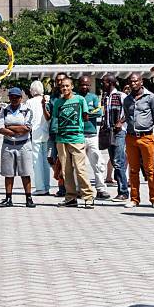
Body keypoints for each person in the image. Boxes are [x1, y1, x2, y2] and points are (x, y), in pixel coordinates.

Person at [51, 77, 95, 208]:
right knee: (66, 171)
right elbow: (55, 119)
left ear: (72, 87)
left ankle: (88, 197)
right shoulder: (58, 102)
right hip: (61, 139)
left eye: (67, 86)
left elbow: (86, 116)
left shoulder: (80, 100)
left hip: (76, 138)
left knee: (80, 169)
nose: (64, 88)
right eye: (62, 86)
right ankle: (71, 198)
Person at [123, 74, 154, 209]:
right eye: (131, 81)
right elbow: (127, 116)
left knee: (150, 170)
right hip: (131, 137)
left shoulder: (150, 97)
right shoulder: (127, 100)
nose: (133, 84)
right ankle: (134, 199)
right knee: (133, 170)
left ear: (141, 82)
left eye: (135, 81)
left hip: (146, 137)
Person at [0, 87, 35, 208]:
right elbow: (0, 128)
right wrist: (16, 130)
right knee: (9, 173)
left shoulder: (27, 110)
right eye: (11, 97)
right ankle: (8, 198)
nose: (14, 99)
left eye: (16, 97)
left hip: (24, 145)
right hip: (8, 145)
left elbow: (26, 128)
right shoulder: (4, 110)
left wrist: (9, 126)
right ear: (9, 98)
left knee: (26, 172)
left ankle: (28, 198)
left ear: (21, 98)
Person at [77, 76, 111, 200]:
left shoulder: (93, 97)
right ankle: (80, 190)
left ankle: (101, 189)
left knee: (97, 163)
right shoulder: (75, 97)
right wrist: (85, 113)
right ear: (78, 85)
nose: (84, 87)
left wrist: (86, 113)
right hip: (78, 135)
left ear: (90, 85)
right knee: (79, 165)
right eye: (82, 84)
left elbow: (99, 112)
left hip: (92, 135)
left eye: (87, 85)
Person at [100, 74, 129, 202]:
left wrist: (121, 122)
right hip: (108, 132)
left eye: (104, 82)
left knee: (118, 161)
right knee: (113, 160)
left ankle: (123, 192)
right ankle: (121, 190)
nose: (102, 85)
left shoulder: (121, 96)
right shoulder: (106, 97)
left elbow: (130, 110)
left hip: (119, 132)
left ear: (110, 83)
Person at [27, 80, 51, 196]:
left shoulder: (30, 102)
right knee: (46, 162)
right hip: (47, 133)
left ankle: (40, 187)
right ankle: (47, 186)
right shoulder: (47, 99)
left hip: (35, 134)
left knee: (37, 162)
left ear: (32, 90)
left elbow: (28, 118)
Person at [47, 73, 68, 197]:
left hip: (67, 133)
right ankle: (62, 186)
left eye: (62, 80)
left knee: (66, 161)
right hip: (54, 132)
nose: (60, 83)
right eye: (57, 81)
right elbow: (48, 116)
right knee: (53, 160)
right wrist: (44, 106)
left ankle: (68, 187)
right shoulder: (53, 98)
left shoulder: (73, 97)